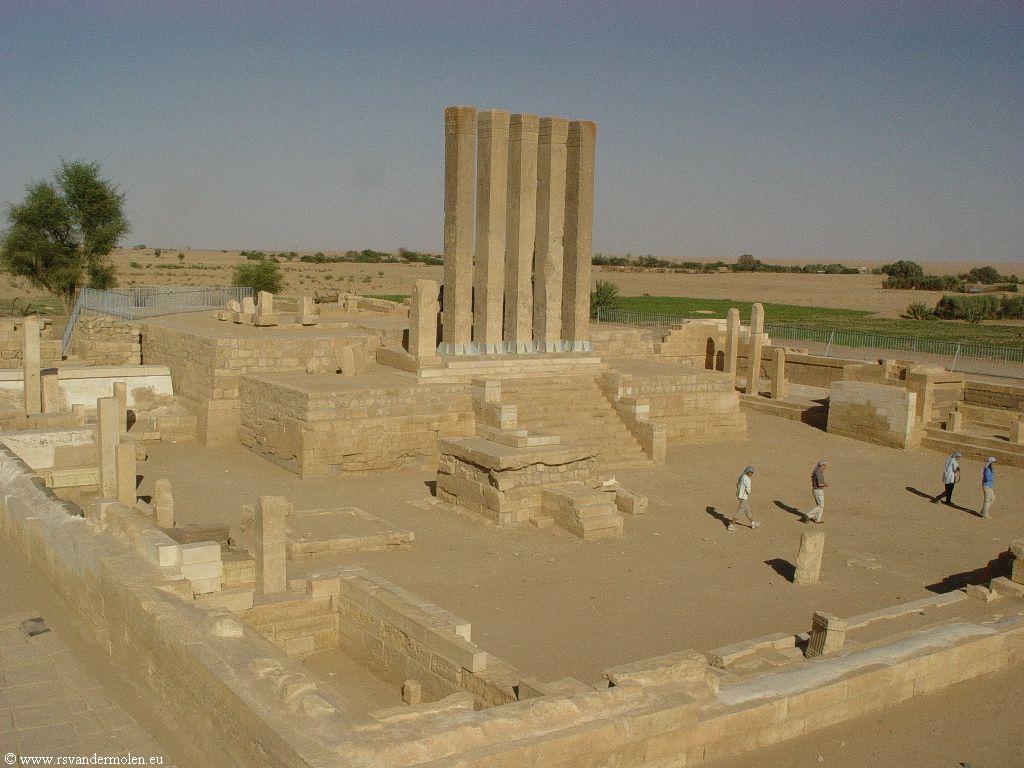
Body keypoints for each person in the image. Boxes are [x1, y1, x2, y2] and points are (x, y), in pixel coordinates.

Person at [728, 466, 760, 531]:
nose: (752, 474)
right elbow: (748, 489)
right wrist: (749, 492)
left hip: (740, 497)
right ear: (749, 472)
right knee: (739, 512)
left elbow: (737, 484)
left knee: (748, 510)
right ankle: (731, 525)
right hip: (743, 498)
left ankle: (753, 523)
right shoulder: (747, 479)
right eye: (752, 472)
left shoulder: (742, 476)